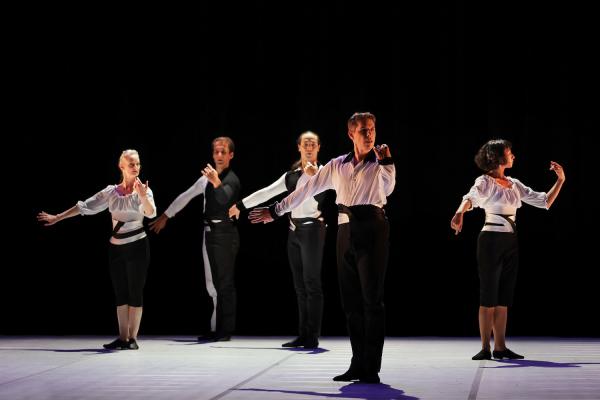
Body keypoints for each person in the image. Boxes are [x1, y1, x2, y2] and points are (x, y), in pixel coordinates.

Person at [249, 112, 395, 384]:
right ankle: (357, 363)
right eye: (363, 130)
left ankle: (371, 367)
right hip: (345, 229)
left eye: (372, 129)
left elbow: (388, 189)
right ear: (351, 134)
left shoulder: (380, 163)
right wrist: (276, 210)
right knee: (351, 302)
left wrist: (387, 162)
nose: (369, 135)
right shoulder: (337, 165)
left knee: (372, 300)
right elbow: (306, 189)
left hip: (372, 229)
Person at [450, 139, 565, 360]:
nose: (513, 156)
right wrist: (459, 212)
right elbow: (471, 198)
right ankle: (485, 347)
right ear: (497, 157)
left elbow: (544, 201)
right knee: (488, 295)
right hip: (490, 241)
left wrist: (560, 180)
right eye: (509, 152)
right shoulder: (485, 181)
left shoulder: (514, 184)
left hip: (510, 242)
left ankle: (500, 347)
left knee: (504, 296)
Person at [37, 149, 157, 350]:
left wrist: (143, 196)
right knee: (121, 292)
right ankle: (122, 338)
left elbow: (151, 213)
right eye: (131, 164)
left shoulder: (144, 190)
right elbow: (85, 206)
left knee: (135, 291)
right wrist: (58, 217)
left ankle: (132, 339)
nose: (136, 167)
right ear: (121, 166)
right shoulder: (111, 192)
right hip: (116, 248)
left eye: (138, 164)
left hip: (137, 246)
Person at [230, 131, 330, 349]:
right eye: (305, 144)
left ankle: (312, 335)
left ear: (319, 147)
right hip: (294, 232)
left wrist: (313, 176)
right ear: (299, 147)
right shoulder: (291, 176)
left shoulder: (325, 173)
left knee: (312, 283)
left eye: (313, 144)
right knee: (300, 286)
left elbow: (315, 194)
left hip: (312, 231)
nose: (309, 147)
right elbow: (267, 192)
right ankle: (303, 334)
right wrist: (239, 205)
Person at [149, 137, 240, 342]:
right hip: (209, 232)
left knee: (224, 283)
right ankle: (215, 328)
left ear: (230, 155)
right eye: (216, 151)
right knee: (211, 284)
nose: (219, 155)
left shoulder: (232, 179)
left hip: (225, 234)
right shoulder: (206, 179)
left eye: (223, 152)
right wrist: (166, 216)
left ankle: (225, 330)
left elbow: (224, 199)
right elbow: (186, 195)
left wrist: (216, 181)